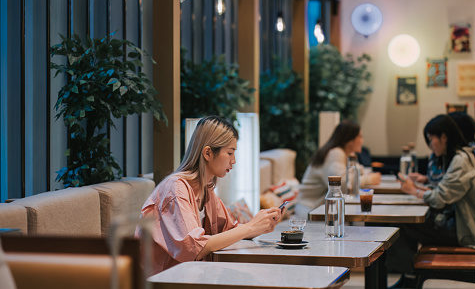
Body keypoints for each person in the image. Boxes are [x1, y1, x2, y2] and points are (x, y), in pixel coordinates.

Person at [136, 116, 282, 274]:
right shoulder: (176, 189)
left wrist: (261, 224)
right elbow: (194, 248)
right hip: (161, 280)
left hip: (189, 276)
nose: (233, 161)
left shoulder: (206, 190)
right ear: (207, 153)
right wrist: (250, 227)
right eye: (230, 153)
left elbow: (228, 230)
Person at [387, 114, 475, 288]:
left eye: (431, 139)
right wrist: (422, 185)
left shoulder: (461, 161)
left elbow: (439, 199)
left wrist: (413, 190)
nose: (430, 145)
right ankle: (408, 279)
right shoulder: (461, 156)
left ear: (444, 137)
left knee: (400, 225)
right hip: (462, 225)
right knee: (402, 223)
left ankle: (408, 281)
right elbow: (444, 190)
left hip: (469, 233)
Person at [408, 111, 475, 208]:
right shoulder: (473, 150)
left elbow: (440, 197)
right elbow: (446, 184)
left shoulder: (464, 158)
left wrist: (413, 190)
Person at [295, 120, 381, 217]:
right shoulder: (335, 153)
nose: (362, 141)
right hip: (311, 211)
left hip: (319, 209)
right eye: (360, 137)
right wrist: (368, 179)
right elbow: (341, 186)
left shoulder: (342, 153)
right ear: (350, 139)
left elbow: (358, 171)